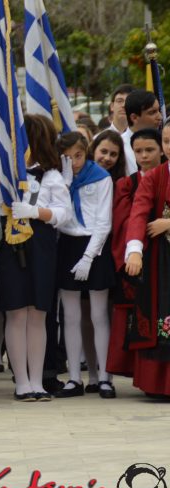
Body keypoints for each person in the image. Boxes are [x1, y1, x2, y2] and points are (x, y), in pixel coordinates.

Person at [0, 114, 71, 401]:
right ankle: (21, 381)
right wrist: (2, 185)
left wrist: (37, 212)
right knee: (16, 312)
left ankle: (37, 380)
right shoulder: (0, 166)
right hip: (12, 241)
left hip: (42, 244)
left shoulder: (52, 175)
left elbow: (64, 214)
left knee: (38, 313)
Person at [55, 132, 115, 399]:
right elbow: (57, 218)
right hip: (68, 243)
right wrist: (64, 188)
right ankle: (75, 378)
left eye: (78, 156)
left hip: (95, 245)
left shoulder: (101, 177)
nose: (74, 162)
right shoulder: (58, 178)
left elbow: (104, 222)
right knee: (70, 314)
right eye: (67, 158)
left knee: (99, 314)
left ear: (86, 151)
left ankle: (104, 376)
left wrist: (89, 258)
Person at [108, 128, 164, 381]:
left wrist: (167, 223)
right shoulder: (149, 179)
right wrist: (133, 251)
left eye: (149, 149)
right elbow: (136, 215)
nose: (144, 155)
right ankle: (157, 380)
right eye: (138, 151)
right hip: (157, 259)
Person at [121, 126, 170, 397]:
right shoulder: (154, 177)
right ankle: (160, 385)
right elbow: (138, 212)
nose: (169, 146)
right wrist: (135, 250)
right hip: (163, 262)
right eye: (166, 141)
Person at [122, 89, 163, 175]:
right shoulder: (120, 146)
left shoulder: (164, 142)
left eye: (158, 110)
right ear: (134, 118)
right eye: (152, 112)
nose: (160, 117)